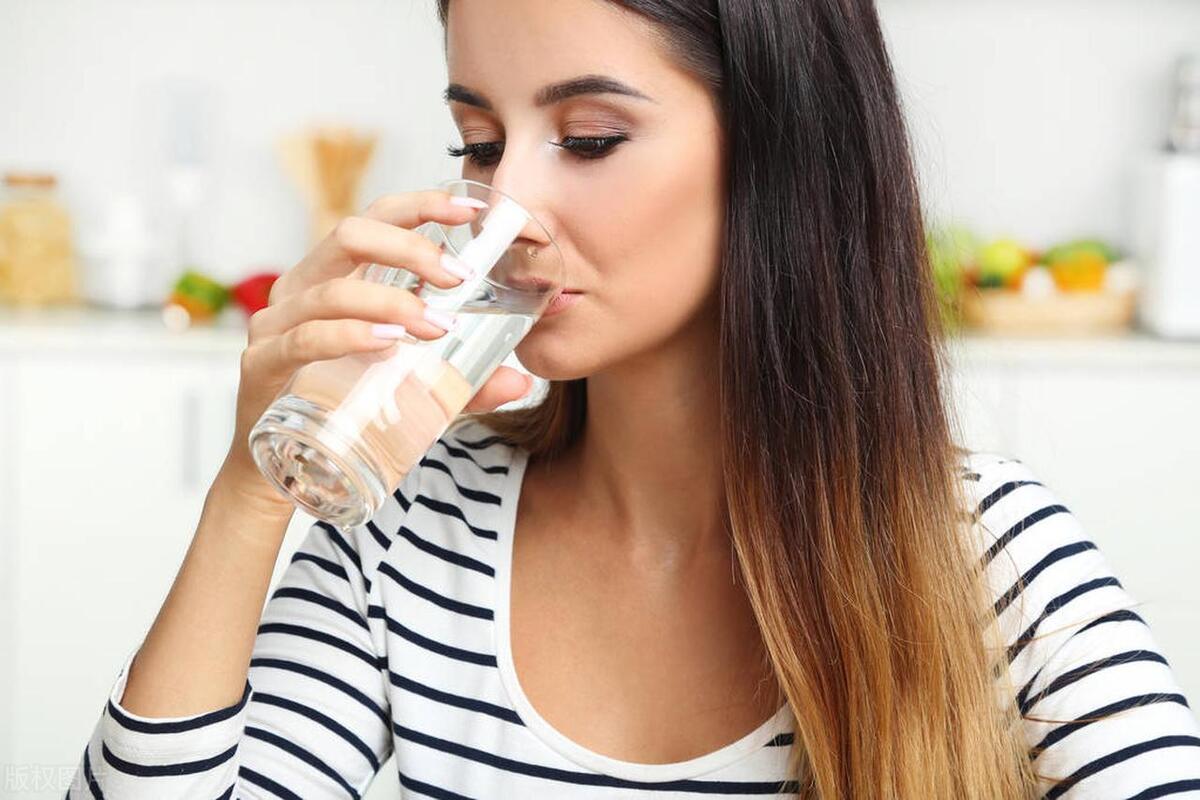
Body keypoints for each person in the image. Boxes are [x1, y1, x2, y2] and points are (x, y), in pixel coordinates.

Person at [68, 0, 1200, 798]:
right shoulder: (413, 525)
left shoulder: (988, 556)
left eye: (590, 139)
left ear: (781, 153)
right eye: (480, 143)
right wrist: (249, 496)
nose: (508, 208)